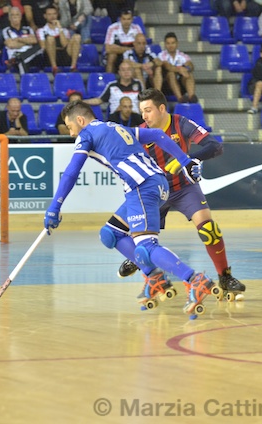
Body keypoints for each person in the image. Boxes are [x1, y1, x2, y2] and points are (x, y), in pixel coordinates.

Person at [44, 100, 217, 317]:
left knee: (146, 247)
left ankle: (194, 280)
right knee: (110, 234)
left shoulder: (86, 134)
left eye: (70, 127)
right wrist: (184, 161)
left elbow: (71, 173)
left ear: (80, 120)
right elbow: (157, 135)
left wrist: (54, 207)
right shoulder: (116, 127)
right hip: (156, 183)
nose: (71, 134)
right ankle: (154, 277)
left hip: (141, 186)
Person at [113, 88, 246, 299]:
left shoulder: (181, 124)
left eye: (148, 110)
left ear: (162, 108)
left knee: (209, 229)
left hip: (184, 187)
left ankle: (225, 277)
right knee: (133, 238)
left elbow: (215, 146)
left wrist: (190, 160)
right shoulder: (140, 133)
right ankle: (143, 263)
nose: (144, 116)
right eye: (142, 111)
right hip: (154, 191)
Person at [36, 5, 82, 74]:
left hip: (64, 56)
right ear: (45, 16)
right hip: (50, 57)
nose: (52, 16)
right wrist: (55, 47)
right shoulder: (41, 31)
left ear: (57, 15)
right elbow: (43, 47)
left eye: (54, 14)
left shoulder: (64, 30)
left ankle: (73, 67)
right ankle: (54, 68)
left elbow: (65, 45)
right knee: (50, 39)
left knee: (77, 37)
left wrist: (60, 28)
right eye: (49, 14)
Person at [156, 32, 198, 103]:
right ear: (165, 44)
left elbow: (191, 65)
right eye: (168, 43)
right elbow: (167, 66)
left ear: (177, 44)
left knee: (189, 75)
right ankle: (181, 99)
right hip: (166, 86)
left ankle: (192, 98)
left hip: (180, 84)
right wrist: (179, 69)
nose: (170, 45)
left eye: (173, 43)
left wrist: (187, 68)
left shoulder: (182, 56)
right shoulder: (161, 55)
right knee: (171, 74)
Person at [3, 7, 45, 74]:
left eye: (17, 15)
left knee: (39, 47)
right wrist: (27, 42)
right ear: (9, 18)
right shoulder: (6, 30)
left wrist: (18, 39)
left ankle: (20, 58)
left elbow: (34, 41)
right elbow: (11, 45)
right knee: (22, 61)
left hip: (32, 58)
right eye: (12, 15)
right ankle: (20, 58)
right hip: (15, 55)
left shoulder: (28, 29)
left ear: (20, 17)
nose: (15, 17)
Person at [103, 8, 144, 73]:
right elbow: (108, 49)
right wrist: (130, 49)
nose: (126, 22)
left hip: (131, 56)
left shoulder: (137, 28)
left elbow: (141, 46)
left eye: (128, 19)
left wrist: (117, 48)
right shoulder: (112, 28)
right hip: (117, 56)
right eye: (124, 19)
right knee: (111, 55)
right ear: (120, 19)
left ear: (132, 19)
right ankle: (109, 78)